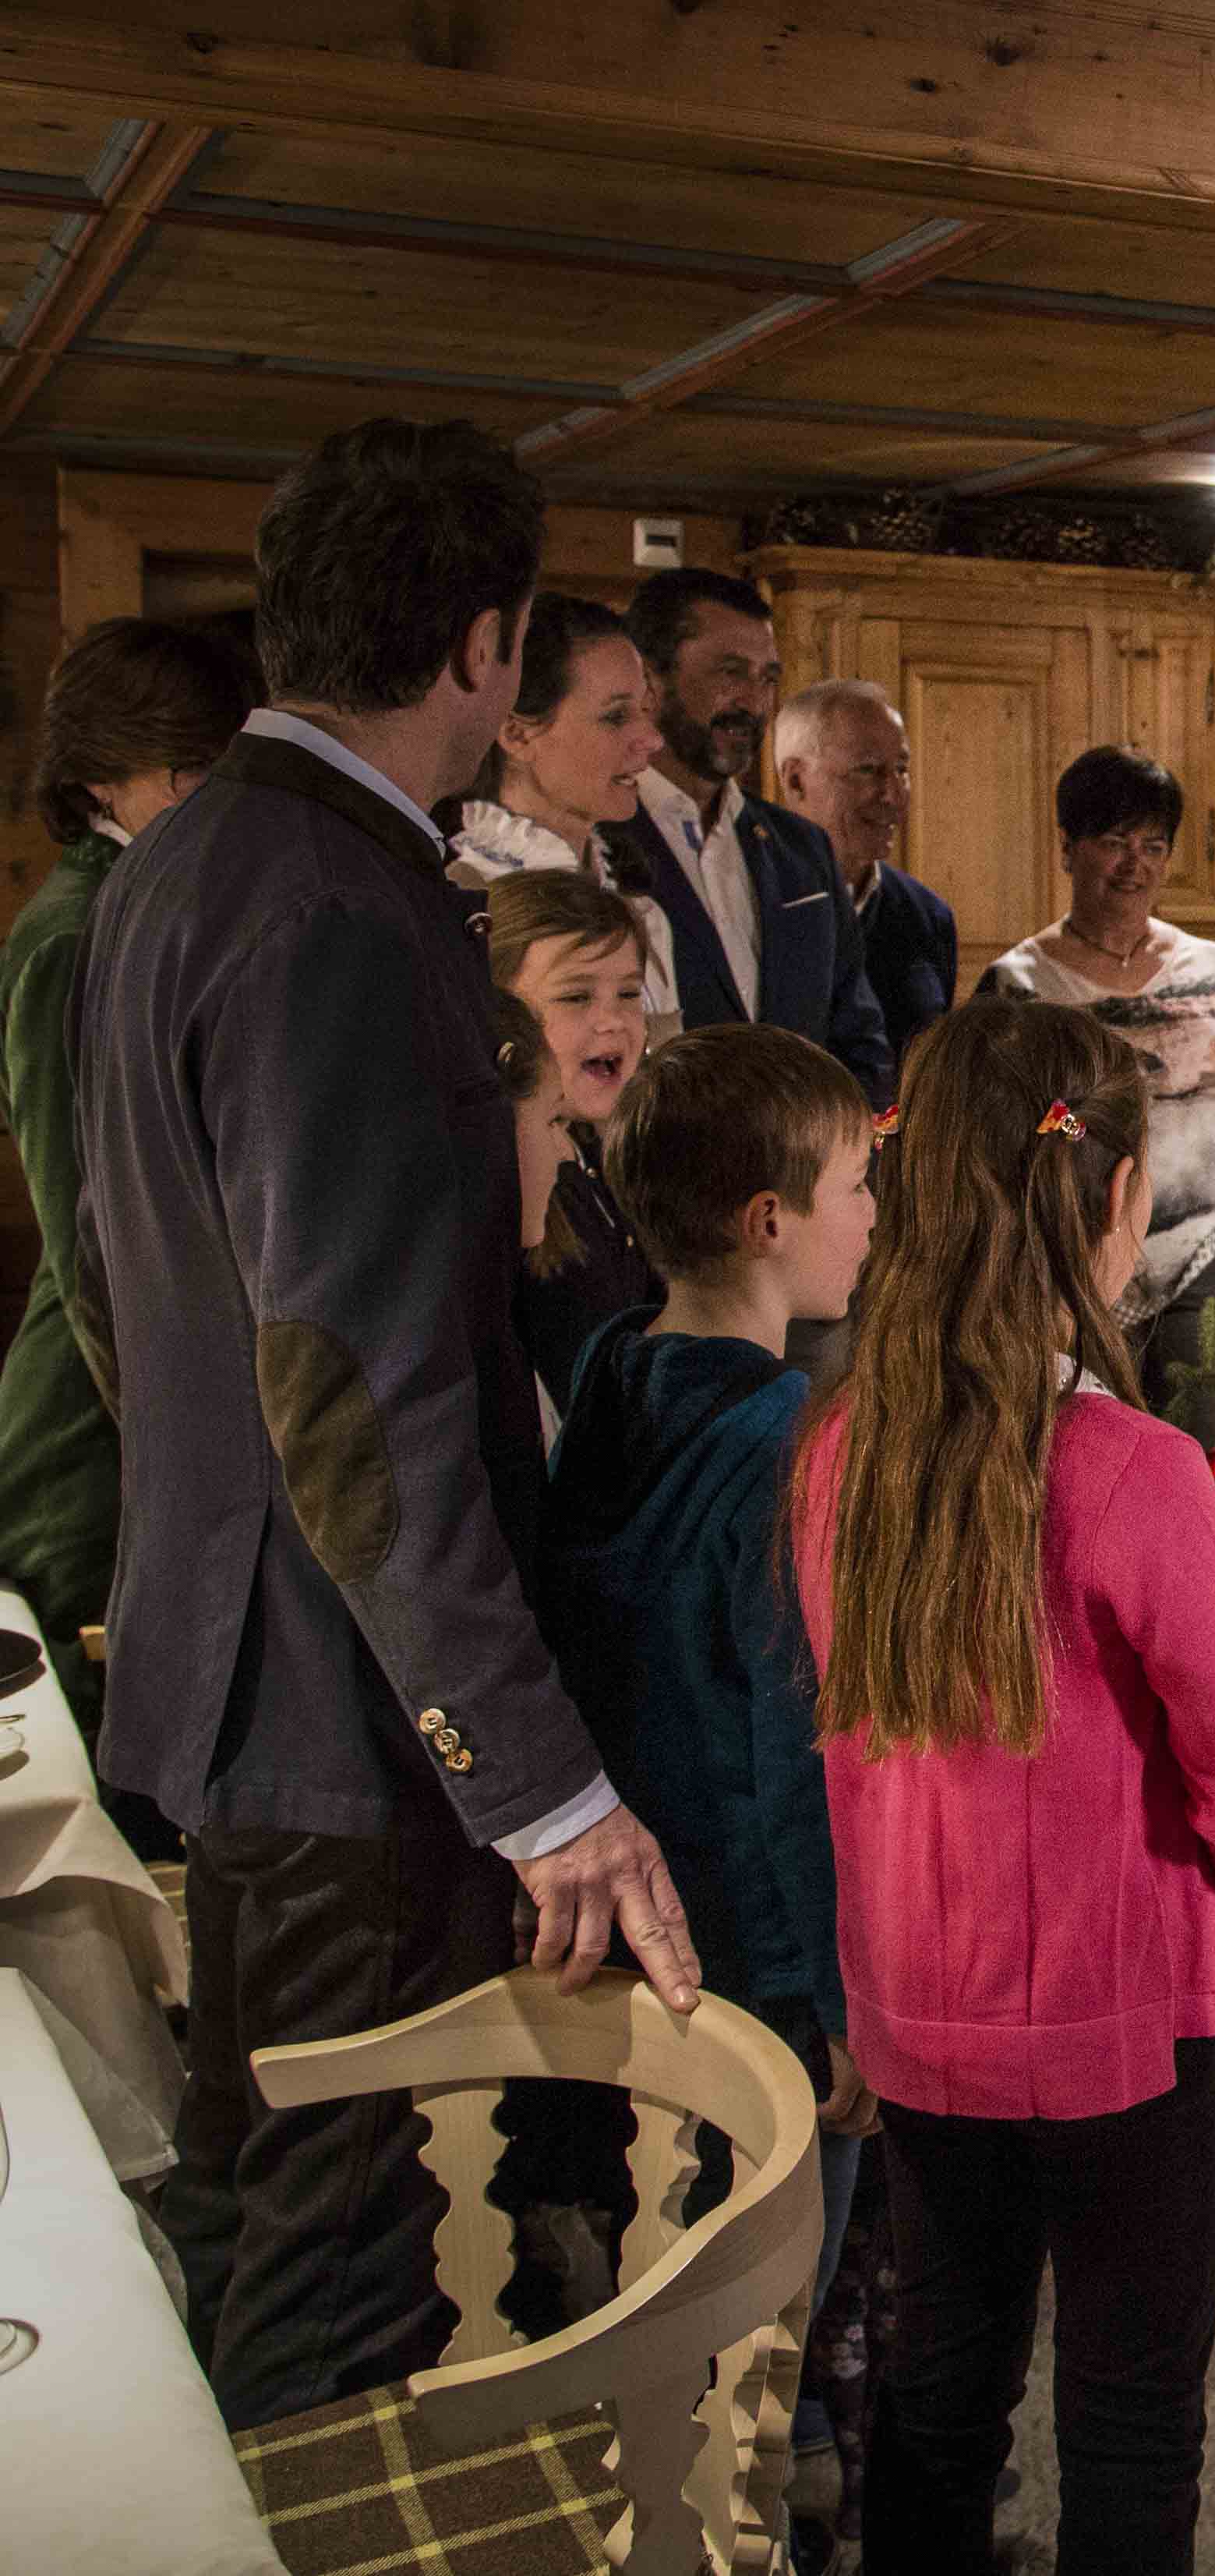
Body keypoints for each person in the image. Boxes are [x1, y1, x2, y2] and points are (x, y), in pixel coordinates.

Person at [76, 416, 701, 2429]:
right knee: (340, 2277)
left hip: (249, 1641)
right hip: (342, 1707)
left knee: (264, 2199)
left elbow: (123, 1277)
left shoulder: (194, 855)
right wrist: (537, 1782)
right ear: (486, 650)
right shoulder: (335, 906)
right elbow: (348, 1381)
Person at [793, 994, 1215, 2572]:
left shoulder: (835, 1450)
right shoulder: (1135, 1469)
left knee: (941, 2393)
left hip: (927, 2013)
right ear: (1121, 1201)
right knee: (1133, 2416)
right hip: (1142, 2019)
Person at [535, 1021, 880, 2525]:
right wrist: (841, 2003)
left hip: (626, 1875)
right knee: (782, 2213)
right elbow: (788, 1741)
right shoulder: (790, 1439)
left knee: (665, 2193)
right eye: (858, 1183)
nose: (874, 1215)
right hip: (748, 1923)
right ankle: (778, 2454)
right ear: (769, 1222)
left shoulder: (616, 1364)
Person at [0, 615, 254, 1788]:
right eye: (185, 775)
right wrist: (171, 1458)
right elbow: (92, 1233)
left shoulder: (153, 895)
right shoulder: (75, 932)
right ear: (101, 775)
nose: (212, 798)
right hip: (96, 1429)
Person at [977, 747, 1215, 1445]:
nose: (1134, 865)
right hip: (1068, 1280)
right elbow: (988, 1131)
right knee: (1090, 1477)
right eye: (1113, 843)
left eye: (1152, 846)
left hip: (1206, 1261)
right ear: (1068, 850)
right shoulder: (1017, 987)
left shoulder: (1210, 969)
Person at [600, 567, 893, 1102]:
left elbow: (859, 1041)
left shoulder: (801, 849)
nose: (755, 703)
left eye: (767, 678)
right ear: (650, 681)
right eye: (730, 672)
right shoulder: (596, 837)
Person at [446, 590, 681, 1048]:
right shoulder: (461, 894)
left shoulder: (640, 906)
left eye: (645, 712)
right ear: (516, 733)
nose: (651, 739)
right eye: (616, 717)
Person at [483, 870, 662, 1414]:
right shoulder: (504, 1180)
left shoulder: (611, 1154)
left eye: (628, 994)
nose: (611, 1022)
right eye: (576, 996)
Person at [772, 677, 955, 1056]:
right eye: (868, 770)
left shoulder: (927, 916)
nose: (893, 794)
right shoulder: (751, 898)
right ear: (795, 781)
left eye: (901, 769)